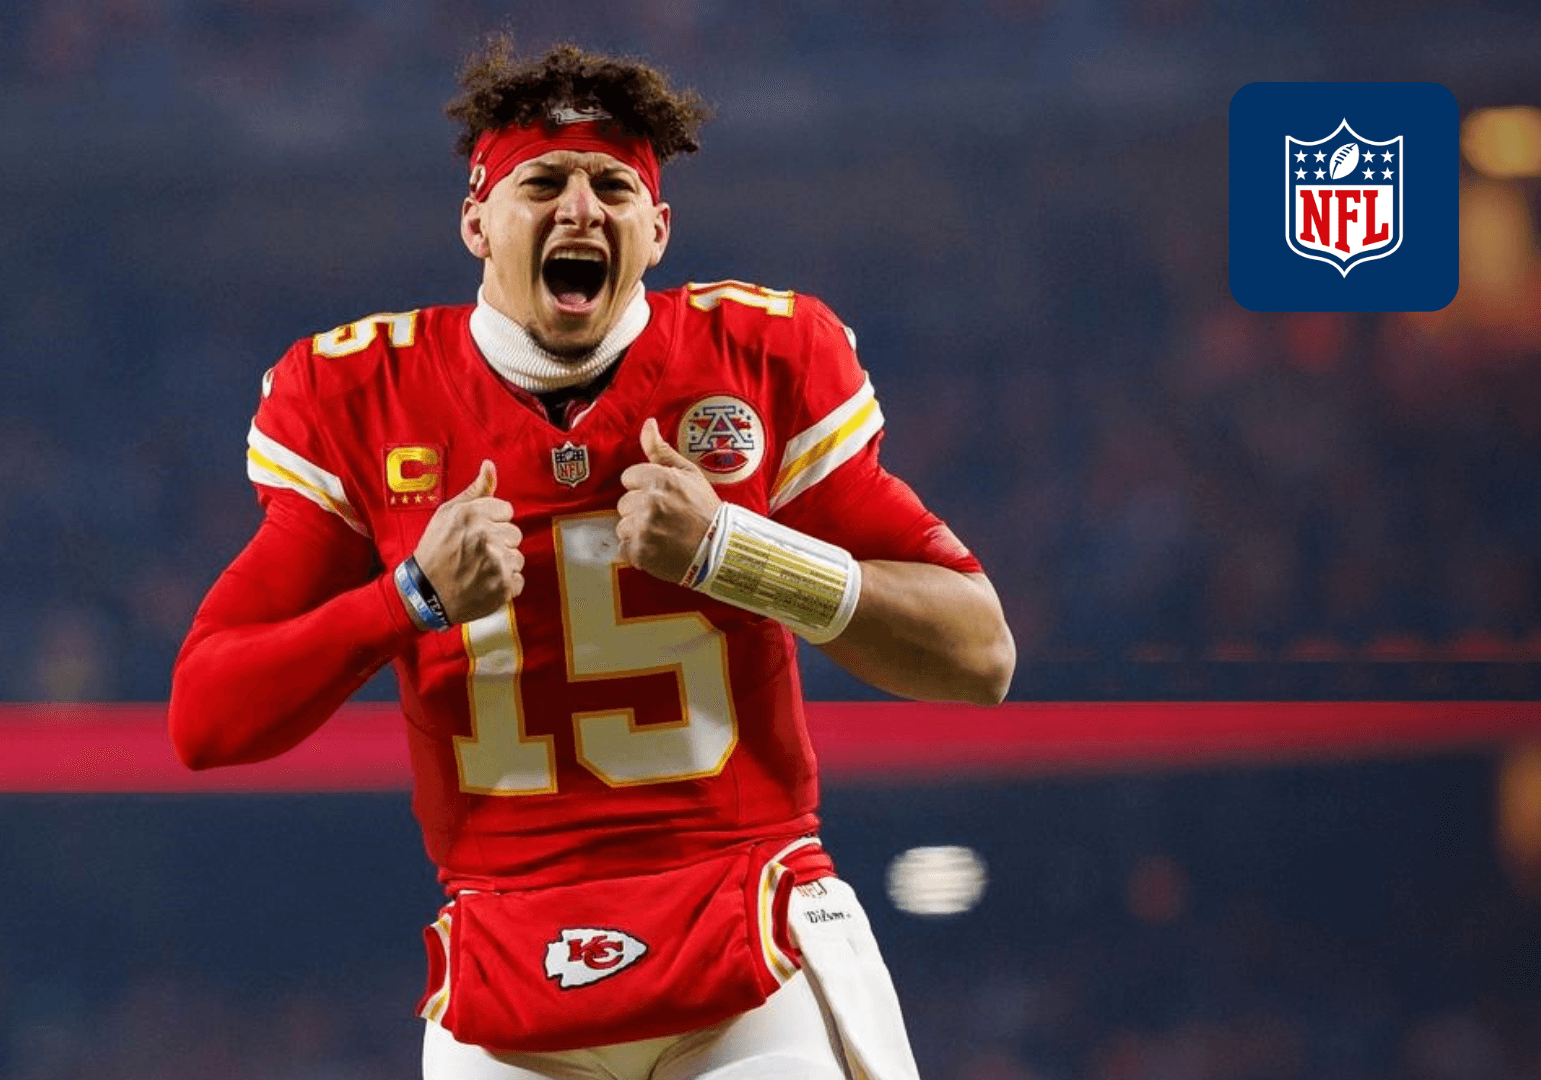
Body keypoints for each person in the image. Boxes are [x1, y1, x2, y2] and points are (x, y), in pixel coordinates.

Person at [169, 36, 1015, 1080]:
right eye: (544, 183)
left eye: (614, 186)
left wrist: (736, 553)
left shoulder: (757, 358)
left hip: (750, 929)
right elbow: (205, 716)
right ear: (477, 221)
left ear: (657, 230)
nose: (581, 208)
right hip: (503, 962)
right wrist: (410, 598)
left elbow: (980, 654)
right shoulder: (363, 395)